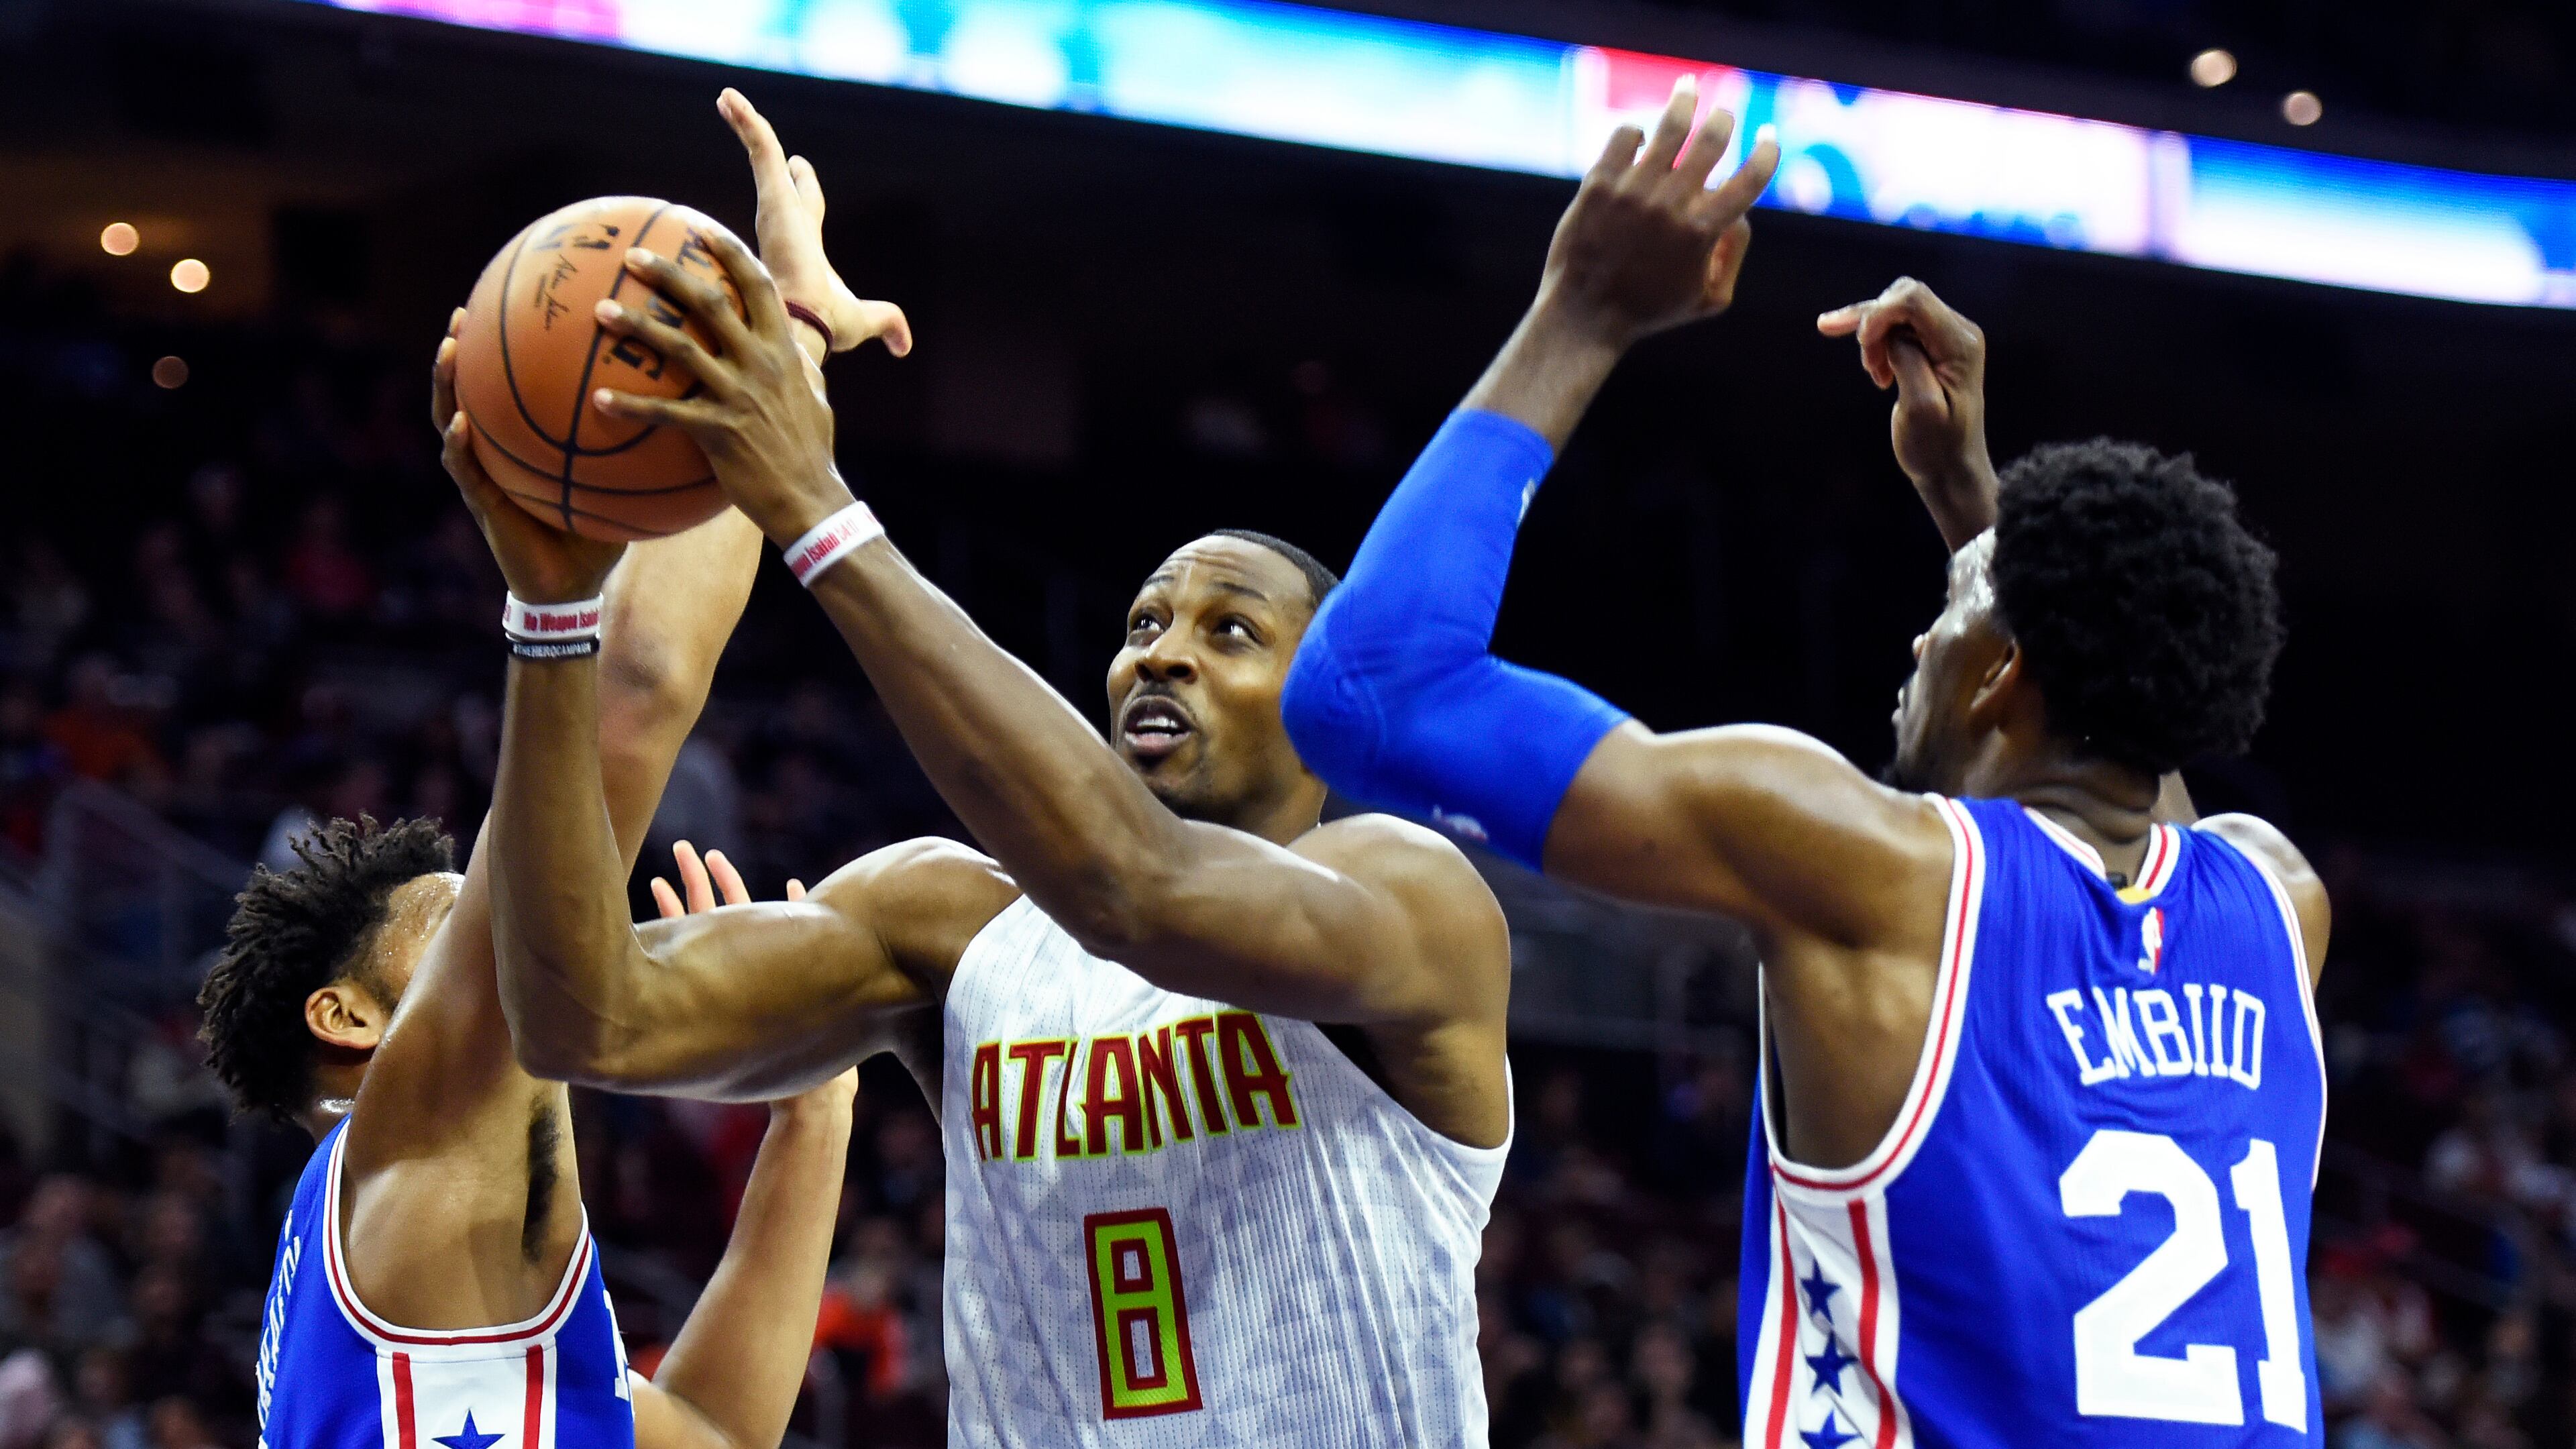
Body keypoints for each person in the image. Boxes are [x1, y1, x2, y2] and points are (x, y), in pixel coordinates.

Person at [421, 120, 1748, 1441]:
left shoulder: (1412, 900)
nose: (1160, 654)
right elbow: (581, 1018)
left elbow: (1139, 891)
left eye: (1227, 631)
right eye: (1142, 624)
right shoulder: (946, 923)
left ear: (1320, 713)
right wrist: (555, 618)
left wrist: (817, 508)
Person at [1279, 77, 2327, 1447]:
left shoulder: (1864, 869)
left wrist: (1582, 310)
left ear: (2007, 670)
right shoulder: (2275, 904)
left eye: (1957, 612)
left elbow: (1369, 688)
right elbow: (2135, 748)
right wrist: (1975, 509)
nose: (1922, 628)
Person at [195, 89, 904, 1448]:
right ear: (355, 1021)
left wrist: (812, 1113)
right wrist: (786, 340)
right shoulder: (414, 1123)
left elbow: (703, 1423)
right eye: (456, 912)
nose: (515, 896)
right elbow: (626, 714)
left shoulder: (422, 1251)